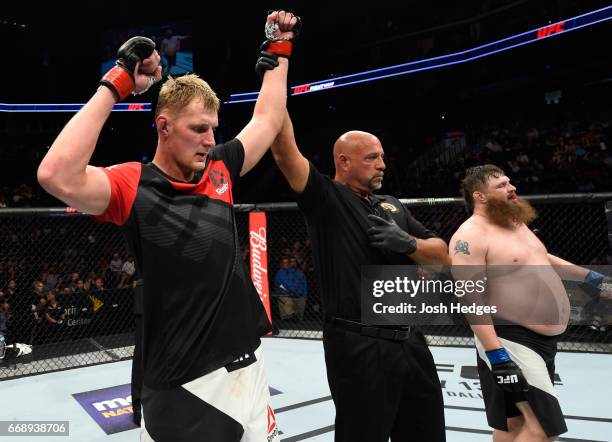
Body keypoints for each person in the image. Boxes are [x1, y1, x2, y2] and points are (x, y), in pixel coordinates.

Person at [37, 11, 300, 441]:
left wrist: (280, 49)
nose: (209, 140)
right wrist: (116, 83)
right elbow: (56, 175)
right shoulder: (133, 183)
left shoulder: (220, 168)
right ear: (163, 127)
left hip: (249, 366)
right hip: (185, 386)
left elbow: (268, 120)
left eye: (213, 129)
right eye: (198, 129)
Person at [268, 111, 449, 441]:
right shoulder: (327, 199)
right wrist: (276, 89)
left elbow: (442, 255)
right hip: (359, 344)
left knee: (428, 433)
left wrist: (408, 243)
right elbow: (284, 151)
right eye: (371, 157)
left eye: (382, 156)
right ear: (344, 161)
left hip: (410, 340)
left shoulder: (392, 206)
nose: (382, 164)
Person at [449, 164, 612, 441]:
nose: (511, 188)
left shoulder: (515, 223)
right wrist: (496, 354)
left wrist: (592, 278)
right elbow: (470, 298)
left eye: (509, 182)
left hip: (538, 341)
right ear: (480, 196)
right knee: (543, 429)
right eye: (501, 185)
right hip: (510, 340)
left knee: (511, 424)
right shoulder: (469, 237)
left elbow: (542, 258)